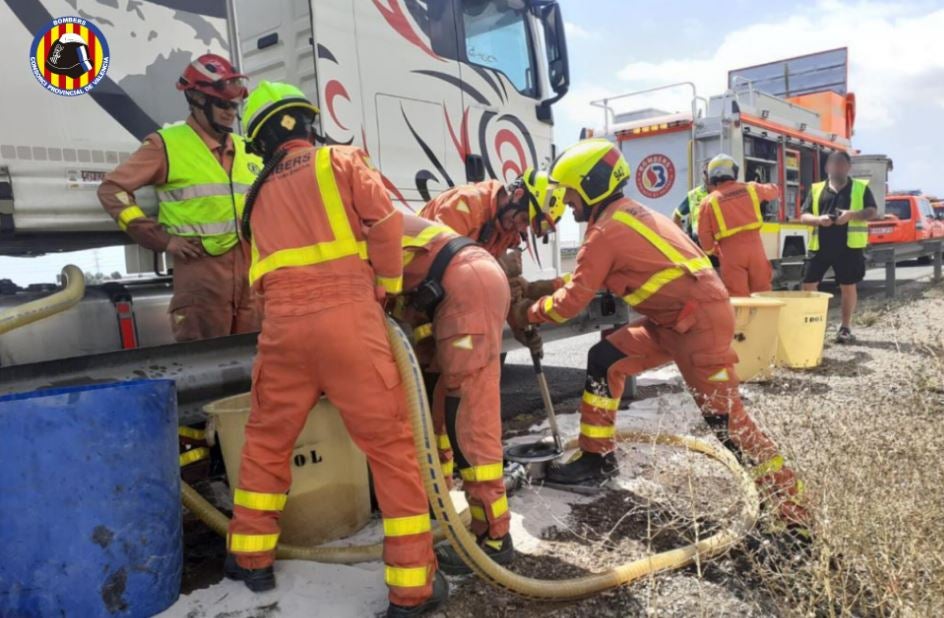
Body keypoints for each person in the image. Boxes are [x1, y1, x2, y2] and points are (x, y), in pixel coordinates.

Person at [224, 81, 446, 617]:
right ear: (305, 123)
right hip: (349, 319)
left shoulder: (253, 200)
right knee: (390, 451)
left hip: (282, 331)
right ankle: (411, 591)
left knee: (267, 441)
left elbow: (260, 277)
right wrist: (387, 286)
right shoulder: (340, 161)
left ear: (257, 143)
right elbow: (387, 223)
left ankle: (250, 559)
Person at [510, 139, 808, 528]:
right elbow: (588, 275)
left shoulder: (605, 232)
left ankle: (793, 513)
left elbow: (571, 303)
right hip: (675, 321)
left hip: (695, 325)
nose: (566, 203)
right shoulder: (625, 216)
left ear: (589, 185)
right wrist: (544, 286)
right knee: (605, 359)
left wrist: (527, 313)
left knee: (728, 422)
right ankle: (595, 459)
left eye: (569, 193)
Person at [98, 54, 261, 342]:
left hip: (249, 279)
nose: (230, 113)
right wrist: (161, 239)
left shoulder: (246, 148)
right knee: (205, 372)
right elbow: (112, 190)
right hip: (202, 281)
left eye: (234, 106)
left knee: (254, 366)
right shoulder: (167, 145)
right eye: (222, 104)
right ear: (197, 99)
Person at [394, 214, 514, 573]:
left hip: (465, 296)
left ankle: (493, 538)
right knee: (439, 397)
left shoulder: (352, 229)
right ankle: (439, 496)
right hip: (459, 291)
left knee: (467, 413)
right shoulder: (369, 217)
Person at [418, 171, 563, 358]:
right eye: (524, 220)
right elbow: (439, 266)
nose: (520, 229)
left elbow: (507, 286)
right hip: (419, 298)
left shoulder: (506, 229)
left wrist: (520, 324)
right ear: (517, 195)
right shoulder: (465, 206)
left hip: (450, 306)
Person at [800, 151, 877, 343]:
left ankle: (845, 327)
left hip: (848, 247)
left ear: (848, 167)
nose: (837, 167)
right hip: (820, 246)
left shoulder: (860, 188)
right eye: (834, 164)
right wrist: (819, 219)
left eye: (842, 164)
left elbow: (872, 211)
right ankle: (811, 325)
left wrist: (851, 214)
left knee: (847, 286)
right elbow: (804, 216)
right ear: (827, 167)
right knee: (808, 284)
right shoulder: (817, 189)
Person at [697, 154, 779, 297]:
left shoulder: (708, 201)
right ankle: (765, 318)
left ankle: (741, 319)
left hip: (729, 251)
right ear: (733, 172)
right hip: (755, 247)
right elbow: (774, 191)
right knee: (762, 290)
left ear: (711, 177)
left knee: (737, 294)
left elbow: (704, 235)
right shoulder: (751, 189)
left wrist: (712, 250)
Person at [672, 163, 710, 242]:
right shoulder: (694, 194)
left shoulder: (722, 192)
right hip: (699, 242)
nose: (707, 176)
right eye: (705, 173)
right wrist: (684, 237)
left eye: (709, 172)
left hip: (719, 243)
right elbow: (676, 215)